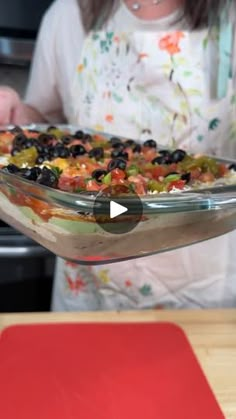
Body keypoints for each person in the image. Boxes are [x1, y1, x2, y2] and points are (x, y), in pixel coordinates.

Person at [0, 0, 236, 311]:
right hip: (88, 285)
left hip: (199, 294)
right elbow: (49, 126)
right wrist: (15, 115)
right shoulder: (68, 14)